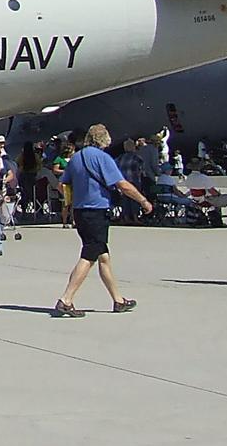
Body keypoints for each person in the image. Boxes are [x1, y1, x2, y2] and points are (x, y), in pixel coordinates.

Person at [52, 125, 153, 317]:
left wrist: (76, 197)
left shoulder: (76, 158)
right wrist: (143, 200)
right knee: (90, 254)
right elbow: (122, 184)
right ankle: (66, 299)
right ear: (104, 139)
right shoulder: (103, 158)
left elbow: (61, 184)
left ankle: (118, 300)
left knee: (103, 256)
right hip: (96, 211)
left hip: (80, 212)